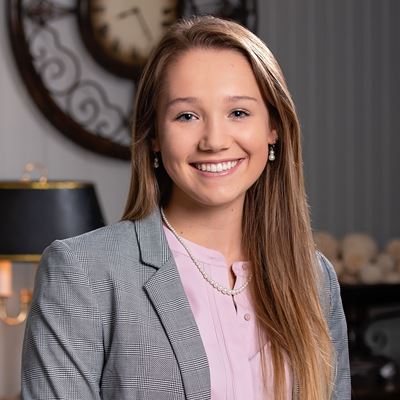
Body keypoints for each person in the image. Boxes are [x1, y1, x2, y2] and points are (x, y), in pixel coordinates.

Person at [21, 16, 350, 400]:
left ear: (272, 128)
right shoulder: (83, 272)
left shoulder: (315, 278)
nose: (214, 140)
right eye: (187, 116)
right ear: (154, 135)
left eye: (238, 113)